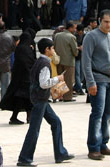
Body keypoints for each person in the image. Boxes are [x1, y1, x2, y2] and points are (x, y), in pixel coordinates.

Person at [17, 38, 74, 166]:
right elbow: (44, 84)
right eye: (52, 48)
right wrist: (57, 79)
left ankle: (60, 153)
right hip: (40, 100)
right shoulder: (44, 63)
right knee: (34, 129)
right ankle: (24, 158)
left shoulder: (40, 61)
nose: (53, 50)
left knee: (56, 122)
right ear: (47, 49)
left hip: (40, 99)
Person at [82, 9, 110, 160]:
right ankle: (93, 147)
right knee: (97, 113)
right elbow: (86, 61)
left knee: (108, 114)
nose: (108, 25)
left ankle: (103, 143)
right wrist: (90, 82)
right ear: (99, 21)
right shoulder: (91, 36)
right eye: (106, 22)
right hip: (98, 79)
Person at [0, 32, 36, 124]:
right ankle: (22, 117)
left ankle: (25, 117)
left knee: (25, 98)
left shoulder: (19, 48)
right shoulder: (25, 49)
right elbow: (29, 61)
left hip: (19, 77)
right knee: (24, 98)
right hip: (25, 78)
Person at [53, 22, 79, 102]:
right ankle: (67, 97)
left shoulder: (57, 35)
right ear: (70, 28)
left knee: (60, 80)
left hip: (58, 61)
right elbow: (75, 51)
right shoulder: (72, 37)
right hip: (69, 62)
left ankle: (60, 96)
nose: (75, 30)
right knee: (68, 80)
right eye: (74, 28)